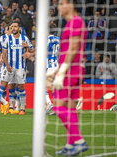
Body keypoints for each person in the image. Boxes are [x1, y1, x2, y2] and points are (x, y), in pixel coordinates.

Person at [46, 0, 89, 155]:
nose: (59, 7)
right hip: (72, 69)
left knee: (57, 106)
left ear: (71, 5)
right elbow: (68, 52)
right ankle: (71, 144)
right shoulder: (72, 23)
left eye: (62, 3)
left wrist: (62, 72)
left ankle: (79, 140)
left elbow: (73, 48)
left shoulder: (76, 22)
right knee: (70, 107)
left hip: (71, 70)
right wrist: (56, 70)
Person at [0, 21, 34, 115]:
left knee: (21, 87)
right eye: (12, 27)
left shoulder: (24, 38)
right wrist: (7, 65)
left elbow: (32, 49)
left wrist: (27, 48)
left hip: (21, 67)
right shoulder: (7, 39)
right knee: (3, 86)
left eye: (15, 27)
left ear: (19, 28)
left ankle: (22, 108)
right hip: (9, 67)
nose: (14, 28)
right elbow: (4, 54)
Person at [45, 33, 60, 115]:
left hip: (49, 66)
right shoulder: (57, 39)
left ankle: (49, 103)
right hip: (56, 65)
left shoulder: (46, 40)